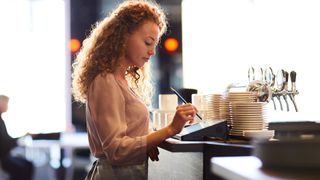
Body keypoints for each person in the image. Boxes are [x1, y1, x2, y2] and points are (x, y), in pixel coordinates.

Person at [71, 0, 198, 179]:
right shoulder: (105, 81)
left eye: (154, 44)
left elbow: (128, 137)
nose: (152, 51)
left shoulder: (119, 80)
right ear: (123, 36)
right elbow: (117, 150)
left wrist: (149, 142)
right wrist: (170, 129)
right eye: (148, 42)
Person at [0, 95, 34, 180]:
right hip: (3, 158)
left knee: (28, 164)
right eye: (6, 103)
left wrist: (22, 136)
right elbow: (5, 143)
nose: (7, 105)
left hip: (6, 155)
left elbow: (7, 140)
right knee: (23, 167)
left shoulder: (1, 120)